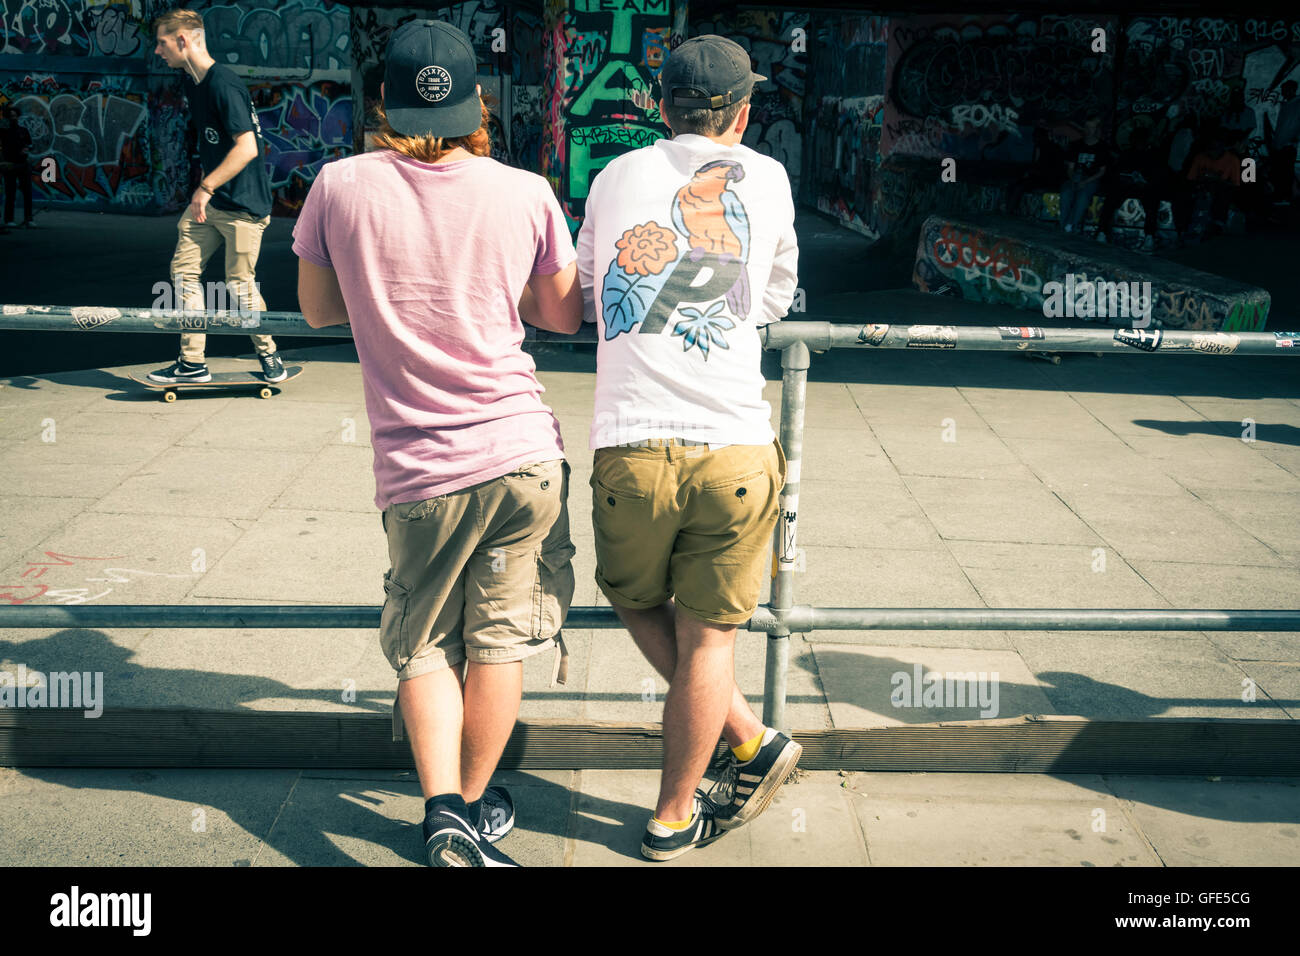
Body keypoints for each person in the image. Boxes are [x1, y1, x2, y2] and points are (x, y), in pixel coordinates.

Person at [293, 19, 582, 867]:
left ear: (382, 101)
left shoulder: (338, 186)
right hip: (523, 456)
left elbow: (316, 311)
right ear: (474, 103)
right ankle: (474, 805)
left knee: (423, 645)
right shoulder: (524, 191)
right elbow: (561, 316)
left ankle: (445, 811)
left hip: (419, 472)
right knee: (499, 642)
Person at [577, 34, 803, 862]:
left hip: (631, 442)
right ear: (742, 114)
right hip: (737, 443)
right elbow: (772, 296)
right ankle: (680, 809)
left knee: (630, 594)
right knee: (712, 641)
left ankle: (747, 738)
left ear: (659, 106)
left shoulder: (612, 176)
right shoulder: (770, 178)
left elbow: (593, 295)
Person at [147, 8, 284, 385]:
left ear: (183, 40)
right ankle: (192, 363)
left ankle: (270, 354)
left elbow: (247, 148)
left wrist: (205, 187)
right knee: (184, 273)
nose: (157, 52)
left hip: (243, 209)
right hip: (210, 206)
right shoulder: (193, 81)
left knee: (239, 285)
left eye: (161, 43)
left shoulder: (224, 83)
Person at [1097, 126, 1162, 251]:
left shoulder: (1152, 155)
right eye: (1137, 141)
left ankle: (1149, 236)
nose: (1139, 144)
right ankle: (1102, 232)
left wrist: (1145, 182)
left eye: (1141, 141)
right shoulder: (1127, 154)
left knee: (1152, 199)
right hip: (1126, 186)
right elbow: (1117, 172)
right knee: (1112, 197)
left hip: (1144, 187)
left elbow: (1157, 176)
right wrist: (1125, 179)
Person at [1059, 115, 1109, 234]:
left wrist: (1085, 182)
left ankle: (1072, 226)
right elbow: (1070, 167)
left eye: (1092, 128)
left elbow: (1102, 171)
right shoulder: (1076, 145)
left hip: (1091, 178)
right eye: (1087, 127)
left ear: (1097, 130)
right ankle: (1063, 226)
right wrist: (1074, 180)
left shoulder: (1102, 147)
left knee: (1083, 196)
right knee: (1066, 193)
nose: (1089, 130)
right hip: (1076, 176)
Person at [0, 106, 33, 228]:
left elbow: (30, 144)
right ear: (7, 118)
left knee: (27, 193)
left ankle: (28, 219)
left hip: (23, 164)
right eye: (11, 116)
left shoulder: (23, 130)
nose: (13, 118)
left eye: (15, 115)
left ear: (18, 116)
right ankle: (9, 219)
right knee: (10, 193)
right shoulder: (3, 131)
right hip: (9, 165)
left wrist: (27, 149)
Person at [1271, 81, 1300, 204]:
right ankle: (1280, 196)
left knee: (1286, 173)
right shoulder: (1286, 104)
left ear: (1292, 90)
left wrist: (1296, 137)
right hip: (1280, 144)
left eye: (1285, 89)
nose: (1282, 93)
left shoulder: (1298, 104)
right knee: (1280, 172)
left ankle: (1285, 197)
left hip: (1288, 145)